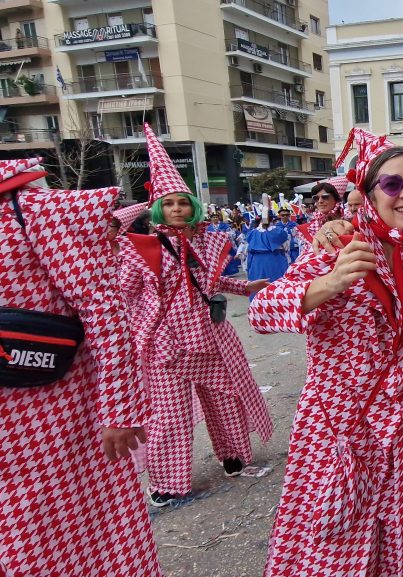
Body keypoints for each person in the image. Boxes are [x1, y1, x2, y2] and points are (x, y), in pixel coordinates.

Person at [251, 131, 403, 576]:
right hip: (341, 434)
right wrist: (327, 285)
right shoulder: (342, 247)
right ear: (371, 195)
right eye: (392, 185)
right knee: (334, 553)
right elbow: (260, 311)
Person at [1, 157, 162, 576]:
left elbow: (104, 311)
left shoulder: (36, 210)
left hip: (52, 412)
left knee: (55, 535)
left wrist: (119, 410)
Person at [118, 124, 273, 507]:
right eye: (168, 203)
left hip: (209, 335)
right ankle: (168, 482)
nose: (176, 209)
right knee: (170, 415)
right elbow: (123, 295)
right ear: (158, 208)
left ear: (194, 206)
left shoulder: (209, 239)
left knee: (225, 398)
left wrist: (244, 288)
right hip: (166, 345)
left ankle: (233, 455)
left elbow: (211, 284)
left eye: (182, 203)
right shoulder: (140, 247)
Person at [245, 210, 290, 290]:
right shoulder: (278, 231)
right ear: (272, 219)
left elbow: (248, 250)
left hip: (259, 262)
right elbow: (286, 247)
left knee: (260, 285)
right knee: (276, 285)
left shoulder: (253, 232)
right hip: (274, 260)